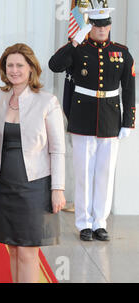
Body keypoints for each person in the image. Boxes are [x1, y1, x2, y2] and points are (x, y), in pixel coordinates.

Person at [49, 5, 135, 241]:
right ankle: (84, 222)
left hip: (110, 118)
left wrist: (128, 121)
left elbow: (128, 89)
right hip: (83, 117)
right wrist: (75, 41)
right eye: (97, 26)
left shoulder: (122, 53)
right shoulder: (79, 49)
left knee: (105, 173)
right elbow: (55, 65)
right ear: (90, 27)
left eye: (105, 25)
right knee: (83, 172)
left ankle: (100, 222)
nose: (102, 29)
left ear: (110, 25)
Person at [0, 43, 66, 283]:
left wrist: (57, 189)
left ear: (31, 68)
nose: (14, 70)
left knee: (28, 253)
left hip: (35, 187)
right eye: (10, 65)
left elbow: (58, 149)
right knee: (12, 250)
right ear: (4, 68)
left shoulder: (47, 101)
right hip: (4, 184)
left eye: (20, 65)